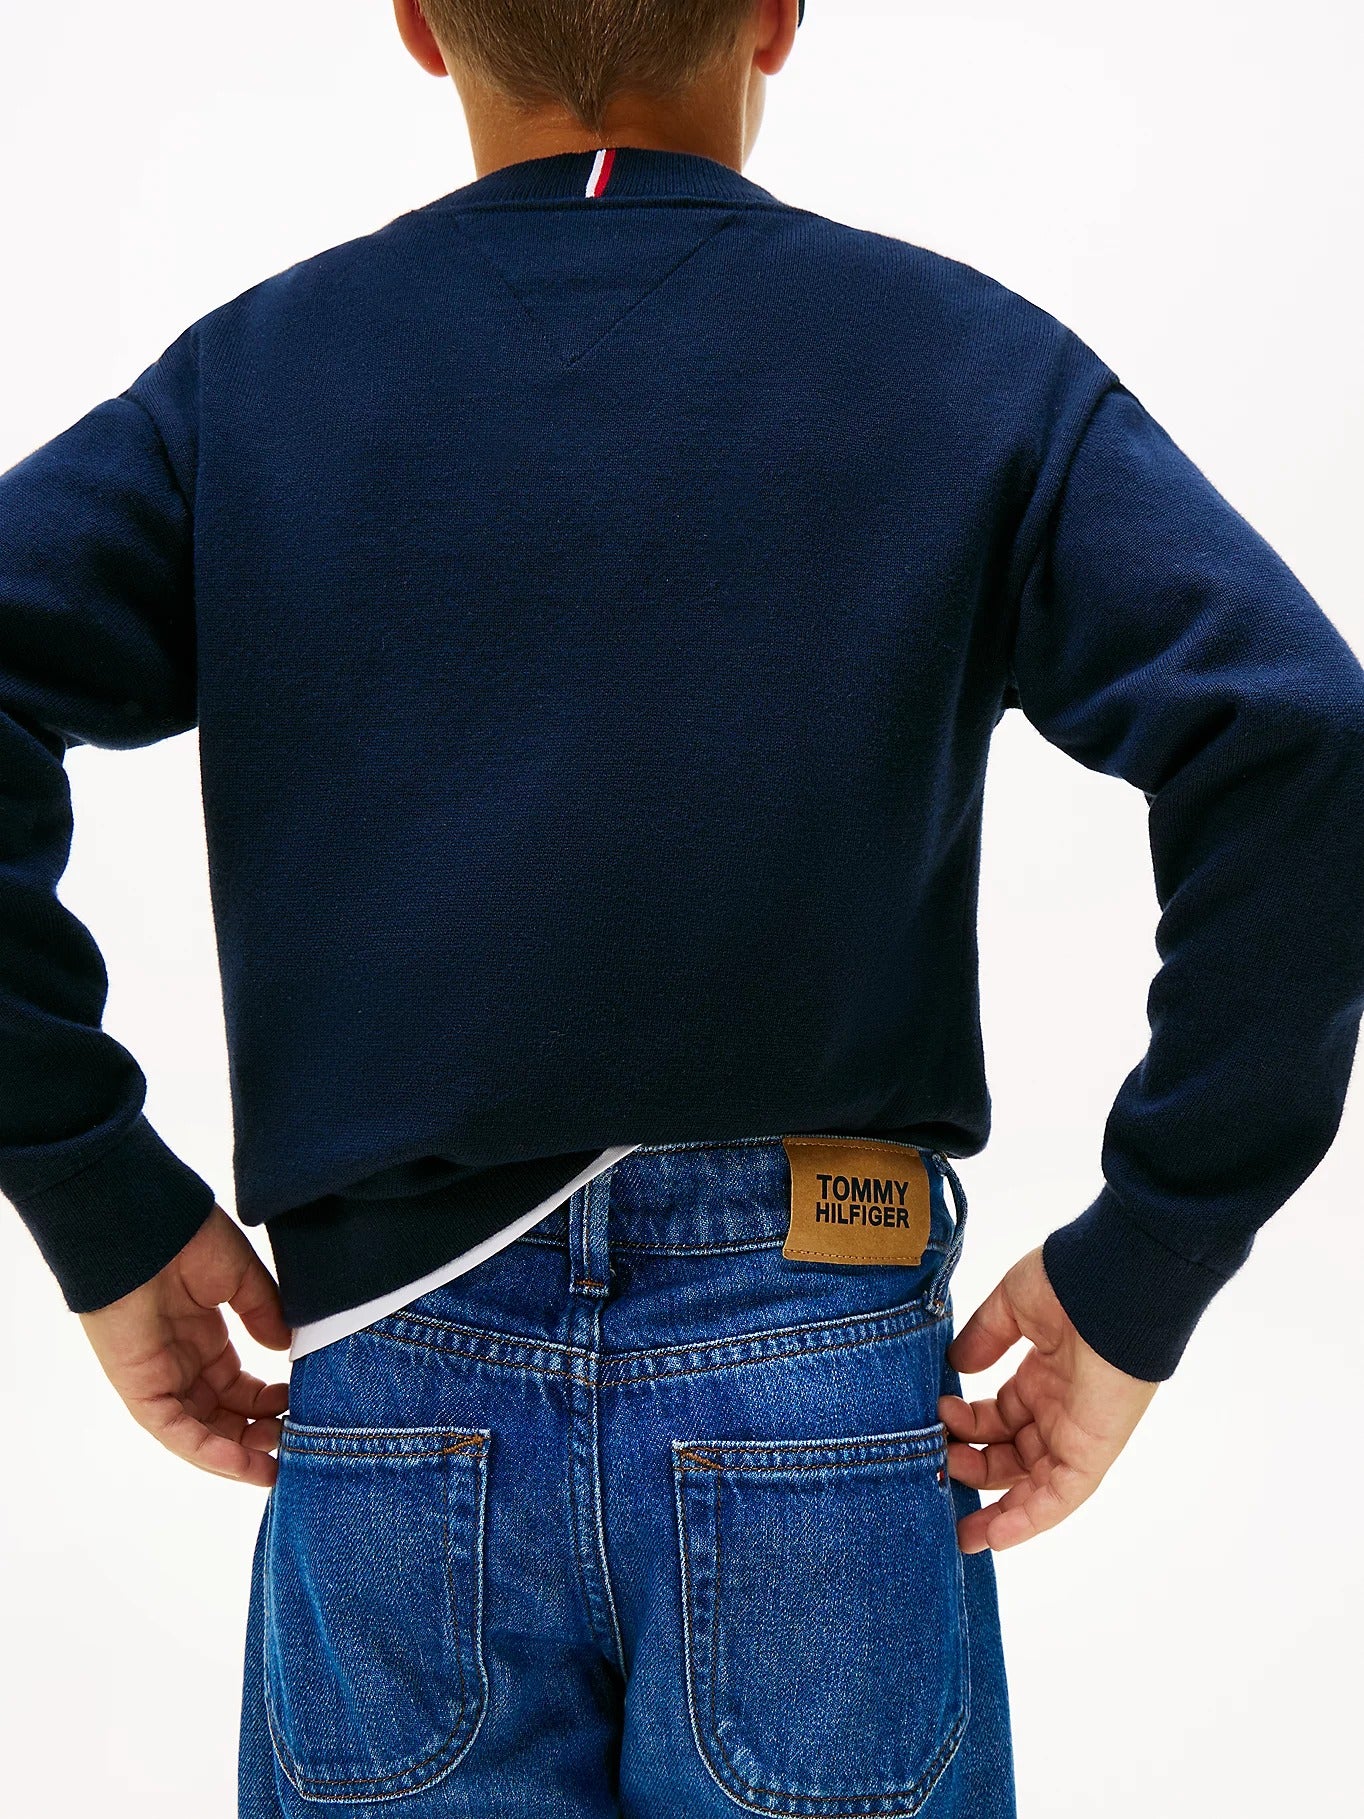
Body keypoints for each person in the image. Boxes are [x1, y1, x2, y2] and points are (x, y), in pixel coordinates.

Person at [2, 2, 1362, 1814]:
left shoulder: (250, 388)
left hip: (399, 1371)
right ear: (779, 16)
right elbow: (1292, 729)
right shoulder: (965, 367)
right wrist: (1150, 1261)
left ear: (417, 24)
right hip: (821, 1350)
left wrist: (99, 1196)